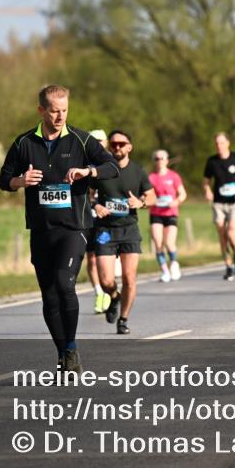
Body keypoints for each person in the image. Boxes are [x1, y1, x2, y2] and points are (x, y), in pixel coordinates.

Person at [0, 84, 118, 373]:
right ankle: (63, 353)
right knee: (49, 295)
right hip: (41, 230)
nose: (60, 116)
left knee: (65, 284)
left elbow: (111, 166)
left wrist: (87, 171)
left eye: (64, 110)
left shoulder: (80, 140)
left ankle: (72, 349)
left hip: (73, 227)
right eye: (54, 111)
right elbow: (4, 180)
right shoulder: (24, 143)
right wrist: (20, 181)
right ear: (41, 110)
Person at [91, 130, 153, 334]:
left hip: (129, 229)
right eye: (114, 144)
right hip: (105, 230)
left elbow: (152, 197)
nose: (117, 147)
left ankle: (123, 319)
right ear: (110, 146)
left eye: (121, 144)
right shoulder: (101, 170)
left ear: (129, 147)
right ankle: (114, 297)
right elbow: (86, 196)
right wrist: (96, 206)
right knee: (106, 280)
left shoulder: (138, 171)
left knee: (129, 278)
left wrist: (140, 202)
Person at [203, 133, 235, 281]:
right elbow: (206, 181)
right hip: (218, 203)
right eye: (217, 143)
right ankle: (228, 266)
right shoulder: (212, 161)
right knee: (222, 235)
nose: (219, 146)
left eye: (222, 143)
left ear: (228, 143)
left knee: (231, 233)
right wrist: (207, 191)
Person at [148, 149, 187, 282]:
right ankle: (165, 271)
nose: (160, 161)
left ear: (167, 160)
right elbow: (147, 195)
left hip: (171, 213)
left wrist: (176, 202)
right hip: (156, 213)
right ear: (154, 161)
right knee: (158, 243)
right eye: (157, 158)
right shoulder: (151, 178)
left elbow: (183, 194)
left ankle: (174, 264)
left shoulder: (173, 176)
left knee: (169, 243)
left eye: (163, 158)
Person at [85, 130, 110, 314]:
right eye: (94, 141)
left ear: (106, 142)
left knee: (106, 258)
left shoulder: (111, 162)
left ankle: (109, 289)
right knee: (91, 258)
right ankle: (99, 292)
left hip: (109, 220)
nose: (98, 144)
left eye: (100, 141)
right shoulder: (84, 163)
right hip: (89, 217)